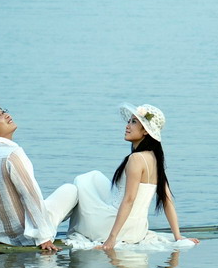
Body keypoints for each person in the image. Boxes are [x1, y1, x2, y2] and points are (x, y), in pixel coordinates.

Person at [67, 103, 199, 250]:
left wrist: (111, 239)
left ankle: (48, 224)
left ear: (146, 132)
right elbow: (167, 201)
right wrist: (178, 237)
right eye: (129, 121)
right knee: (94, 178)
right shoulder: (156, 159)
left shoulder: (136, 159)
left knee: (83, 181)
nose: (127, 126)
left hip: (117, 228)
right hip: (138, 231)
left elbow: (129, 200)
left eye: (134, 122)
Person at [0, 103, 78, 252]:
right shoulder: (13, 154)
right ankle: (80, 234)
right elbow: (30, 195)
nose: (7, 115)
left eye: (4, 111)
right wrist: (43, 237)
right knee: (72, 190)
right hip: (25, 236)